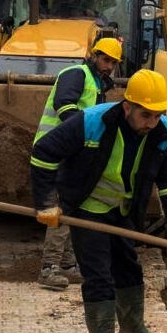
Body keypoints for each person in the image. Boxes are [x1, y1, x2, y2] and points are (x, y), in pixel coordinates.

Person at [30, 69, 167, 333]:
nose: (152, 122)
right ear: (127, 106)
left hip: (122, 210)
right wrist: (46, 204)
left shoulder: (164, 133)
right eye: (146, 115)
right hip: (86, 208)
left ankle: (132, 331)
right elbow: (43, 154)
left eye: (158, 115)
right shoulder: (91, 121)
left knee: (128, 267)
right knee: (99, 277)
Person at [34, 37, 123, 291]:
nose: (108, 66)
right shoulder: (76, 73)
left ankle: (66, 263)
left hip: (72, 151)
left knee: (73, 204)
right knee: (62, 206)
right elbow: (66, 107)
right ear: (93, 55)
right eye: (105, 60)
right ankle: (50, 267)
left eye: (113, 63)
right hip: (56, 148)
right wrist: (83, 138)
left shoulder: (96, 84)